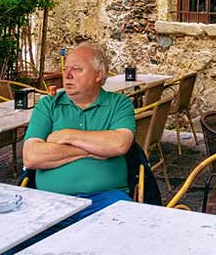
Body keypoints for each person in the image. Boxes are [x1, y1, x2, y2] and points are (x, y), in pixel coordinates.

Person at [21, 41, 135, 236]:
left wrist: (66, 135)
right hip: (49, 201)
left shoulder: (119, 104)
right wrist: (94, 149)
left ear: (98, 75)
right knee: (11, 246)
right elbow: (31, 157)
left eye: (77, 69)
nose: (67, 76)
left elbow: (119, 144)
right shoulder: (48, 105)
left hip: (106, 199)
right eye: (65, 69)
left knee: (128, 238)